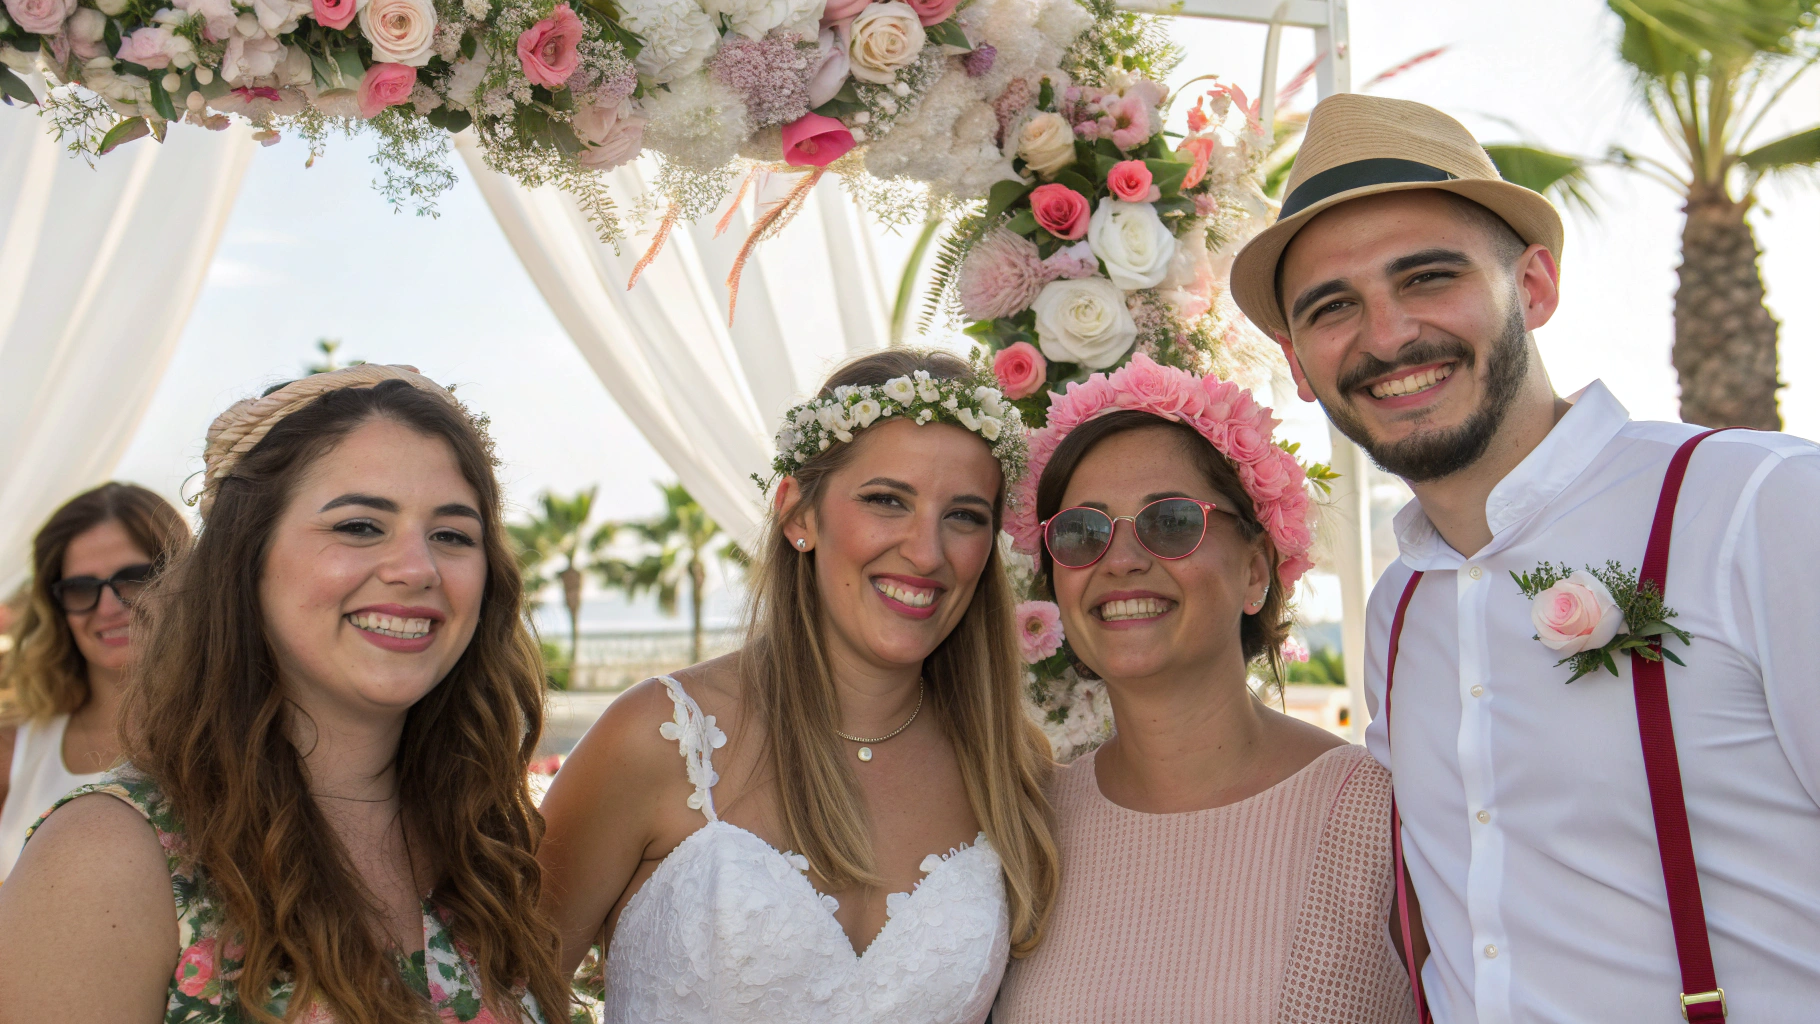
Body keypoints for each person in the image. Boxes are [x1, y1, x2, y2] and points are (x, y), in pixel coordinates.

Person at [1233, 92, 1820, 1022]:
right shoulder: (1398, 612)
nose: (1387, 336)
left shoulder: (1762, 506)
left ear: (1536, 287)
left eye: (1427, 277)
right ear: (1298, 365)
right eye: (1334, 306)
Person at [0, 366, 569, 1023]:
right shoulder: (110, 858)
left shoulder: (489, 841)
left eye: (452, 535)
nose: (417, 567)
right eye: (359, 526)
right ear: (247, 560)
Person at [538, 349, 1058, 1023]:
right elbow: (503, 996)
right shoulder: (658, 739)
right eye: (885, 500)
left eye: (964, 515)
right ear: (797, 515)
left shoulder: (1012, 772)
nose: (927, 552)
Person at [993, 356, 1418, 1023]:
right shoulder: (1027, 828)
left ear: (1255, 572)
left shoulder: (1378, 818)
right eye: (1082, 532)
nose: (1124, 560)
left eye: (1171, 522)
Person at [0, 483, 190, 879]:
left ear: (184, 580)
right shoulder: (15, 746)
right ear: (57, 608)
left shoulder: (242, 728)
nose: (109, 607)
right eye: (80, 588)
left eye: (135, 578)